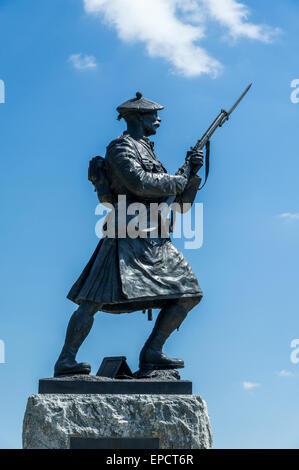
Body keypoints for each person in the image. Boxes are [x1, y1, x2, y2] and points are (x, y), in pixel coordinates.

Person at [54, 92, 204, 377]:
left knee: (189, 293)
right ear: (136, 118)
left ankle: (152, 352)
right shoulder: (120, 148)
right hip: (126, 234)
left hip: (156, 237)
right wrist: (178, 179)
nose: (158, 119)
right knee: (92, 301)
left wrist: (192, 172)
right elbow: (140, 182)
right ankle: (66, 360)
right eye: (152, 115)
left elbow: (181, 206)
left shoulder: (149, 150)